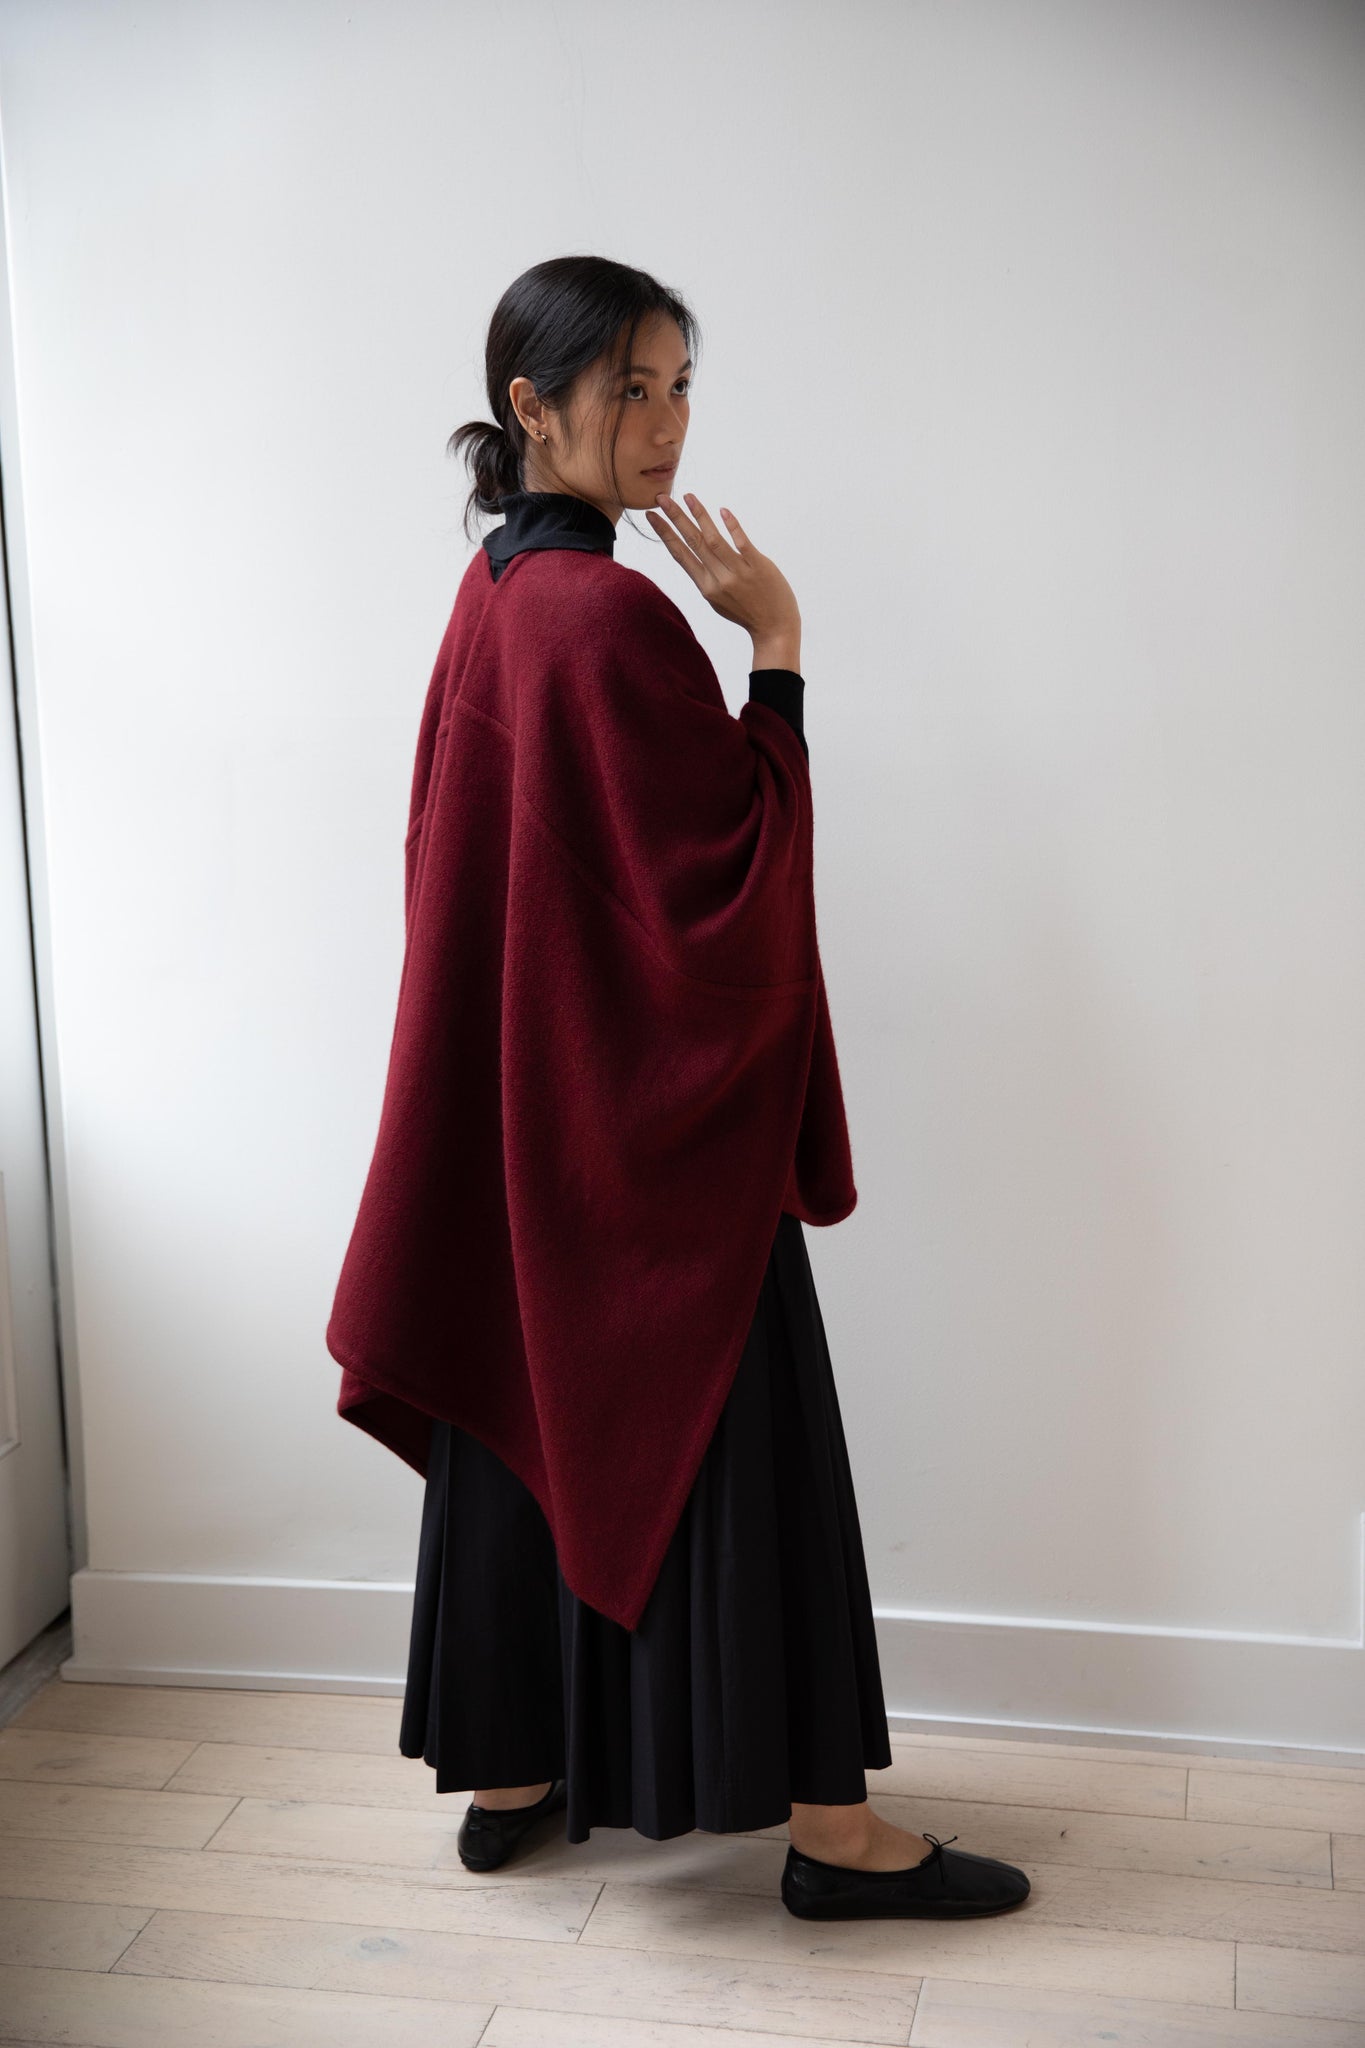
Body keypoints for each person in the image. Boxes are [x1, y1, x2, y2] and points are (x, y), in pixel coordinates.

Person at [329, 254, 1030, 1921]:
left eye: (680, 386)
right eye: (627, 390)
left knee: (523, 1370)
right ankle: (832, 1837)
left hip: (525, 1111)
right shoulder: (605, 615)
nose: (663, 424)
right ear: (532, 408)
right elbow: (727, 893)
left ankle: (513, 1769)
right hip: (632, 1131)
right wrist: (774, 650)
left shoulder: (498, 589)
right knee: (733, 1407)